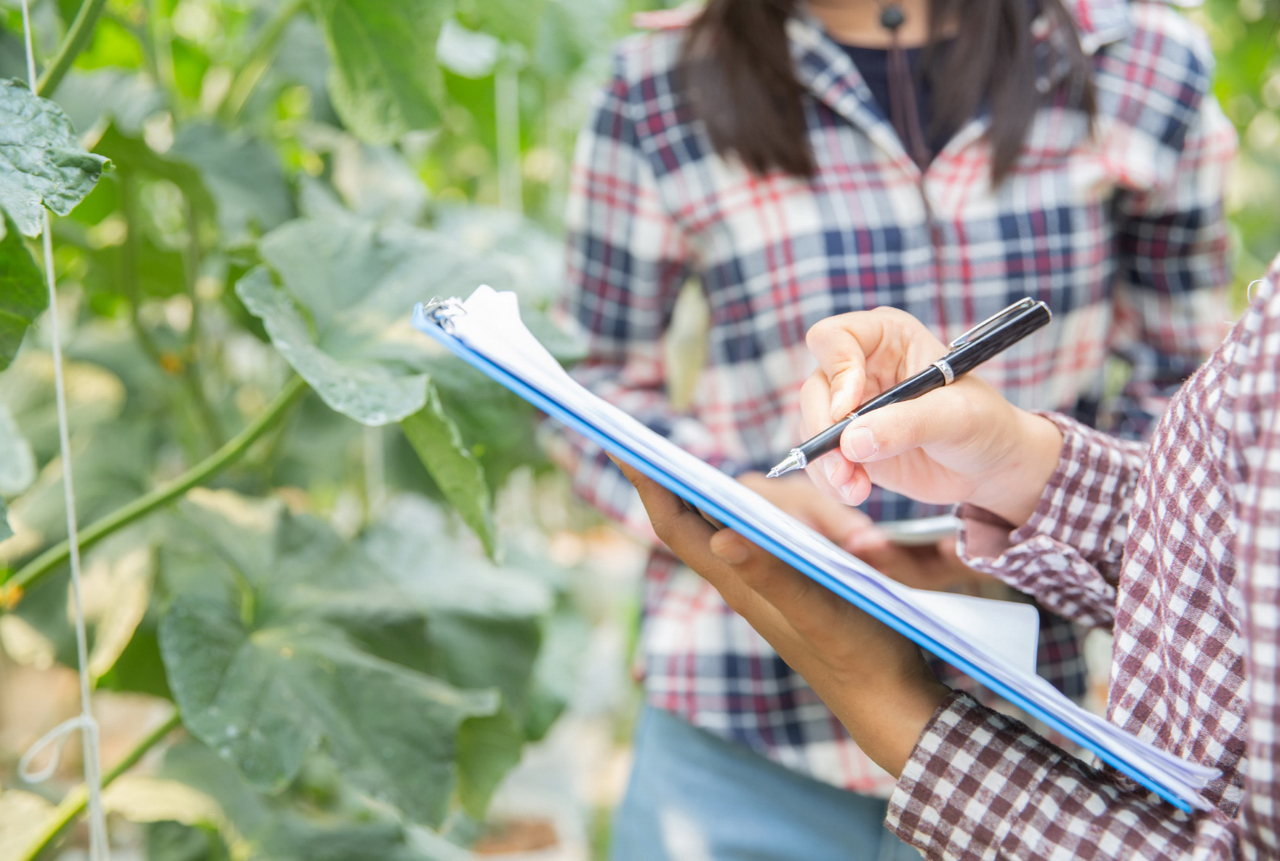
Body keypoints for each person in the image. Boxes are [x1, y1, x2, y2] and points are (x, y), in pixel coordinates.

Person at [553, 0, 1235, 856]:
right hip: (745, 722)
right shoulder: (662, 82)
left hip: (1039, 739)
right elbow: (595, 380)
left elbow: (1197, 394)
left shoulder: (1140, 63)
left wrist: (1024, 511)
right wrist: (743, 500)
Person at [613, 251, 1280, 859]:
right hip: (740, 718)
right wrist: (1019, 469)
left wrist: (900, 710)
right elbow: (1218, 517)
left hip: (1025, 735)